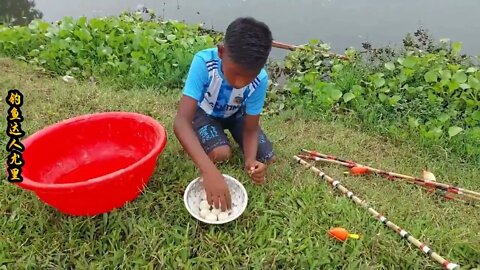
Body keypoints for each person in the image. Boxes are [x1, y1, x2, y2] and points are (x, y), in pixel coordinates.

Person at [173, 17, 275, 211]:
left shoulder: (260, 80)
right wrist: (209, 171)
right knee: (221, 154)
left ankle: (248, 155)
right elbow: (181, 122)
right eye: (236, 73)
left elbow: (251, 129)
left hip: (236, 114)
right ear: (221, 52)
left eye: (248, 76)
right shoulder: (204, 63)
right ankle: (199, 144)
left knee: (267, 156)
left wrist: (251, 161)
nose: (239, 83)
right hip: (204, 113)